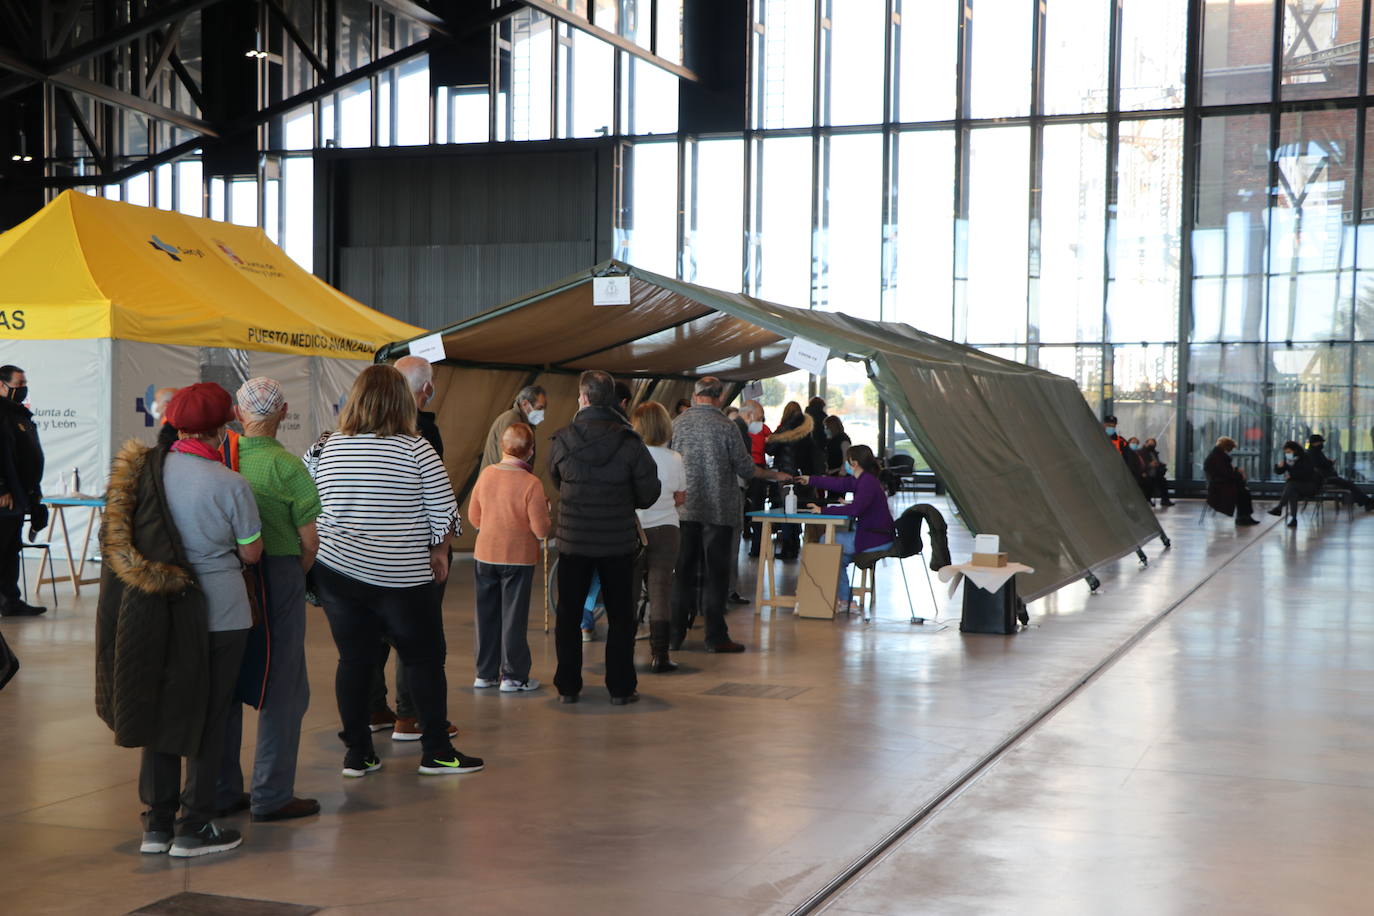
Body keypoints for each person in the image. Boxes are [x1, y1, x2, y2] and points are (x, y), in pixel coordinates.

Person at [97, 382, 263, 858]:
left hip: (157, 609)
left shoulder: (143, 475)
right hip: (221, 612)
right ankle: (195, 826)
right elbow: (251, 554)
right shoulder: (230, 484)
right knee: (211, 716)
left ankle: (157, 825)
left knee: (161, 709)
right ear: (222, 429)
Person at [309, 365, 482, 777]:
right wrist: (440, 553)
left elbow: (305, 506)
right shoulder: (416, 448)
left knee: (353, 661)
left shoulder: (324, 447)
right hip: (403, 576)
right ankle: (437, 752)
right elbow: (444, 511)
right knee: (423, 660)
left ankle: (359, 754)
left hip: (338, 574)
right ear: (403, 401)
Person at [214, 378, 321, 824]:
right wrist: (295, 574)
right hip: (277, 575)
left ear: (239, 415)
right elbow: (310, 541)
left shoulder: (221, 462)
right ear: (283, 413)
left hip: (225, 578)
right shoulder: (289, 467)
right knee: (284, 685)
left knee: (226, 680)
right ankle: (272, 793)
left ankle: (219, 788)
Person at [548, 370, 661, 704]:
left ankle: (568, 687)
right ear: (613, 399)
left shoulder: (562, 439)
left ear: (583, 397)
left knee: (568, 615)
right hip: (617, 543)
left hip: (574, 541)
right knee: (621, 615)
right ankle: (621, 688)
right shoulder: (630, 442)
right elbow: (648, 492)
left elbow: (557, 480)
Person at [372, 356, 460, 742]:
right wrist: (439, 550)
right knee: (417, 634)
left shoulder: (356, 435)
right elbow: (439, 504)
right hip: (413, 553)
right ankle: (410, 716)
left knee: (371, 634)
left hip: (364, 557)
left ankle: (374, 708)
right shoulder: (421, 437)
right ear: (425, 389)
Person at [671, 377, 786, 653]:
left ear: (695, 396)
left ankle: (673, 636)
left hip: (684, 509)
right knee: (717, 574)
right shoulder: (727, 426)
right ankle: (715, 637)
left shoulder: (678, 424)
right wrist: (772, 475)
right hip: (719, 511)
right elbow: (746, 469)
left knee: (682, 573)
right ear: (720, 398)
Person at [468, 422, 550, 692]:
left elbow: (473, 517)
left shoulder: (486, 475)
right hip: (518, 559)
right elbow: (541, 530)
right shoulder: (532, 484)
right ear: (530, 451)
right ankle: (513, 676)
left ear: (502, 447)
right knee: (513, 618)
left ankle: (484, 673)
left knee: (486, 615)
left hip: (485, 555)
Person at [797, 445, 896, 612]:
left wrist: (823, 510)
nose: (845, 465)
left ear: (855, 463)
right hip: (875, 536)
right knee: (838, 559)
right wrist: (810, 479)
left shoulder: (867, 482)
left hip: (874, 538)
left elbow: (855, 510)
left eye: (847, 461)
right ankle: (847, 601)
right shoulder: (864, 479)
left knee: (825, 541)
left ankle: (833, 598)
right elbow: (839, 483)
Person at [632, 402, 686, 673]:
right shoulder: (674, 458)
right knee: (660, 590)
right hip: (666, 529)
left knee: (629, 592)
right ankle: (660, 655)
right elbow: (680, 497)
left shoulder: (631, 455)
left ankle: (623, 650)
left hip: (634, 530)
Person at [0, 365, 46, 617]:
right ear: (1, 385)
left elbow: (26, 458)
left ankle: (10, 601)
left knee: (10, 549)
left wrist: (33, 497)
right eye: (18, 385)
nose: (23, 389)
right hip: (5, 496)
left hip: (20, 494)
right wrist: (1, 488)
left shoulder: (19, 415)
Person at [765, 401, 825, 559]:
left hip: (785, 475)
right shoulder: (808, 430)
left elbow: (769, 449)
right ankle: (798, 543)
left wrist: (783, 427)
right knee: (799, 510)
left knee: (787, 511)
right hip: (805, 477)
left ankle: (787, 546)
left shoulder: (784, 431)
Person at [482, 384, 547, 467]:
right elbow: (509, 459)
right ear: (525, 404)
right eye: (539, 408)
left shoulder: (521, 421)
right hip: (502, 478)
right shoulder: (512, 421)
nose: (542, 414)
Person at [1307, 434, 1372, 510]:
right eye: (1320, 442)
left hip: (1325, 477)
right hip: (1325, 478)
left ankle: (1366, 501)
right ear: (1315, 443)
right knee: (1349, 484)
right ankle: (1367, 502)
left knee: (1348, 484)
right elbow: (1321, 464)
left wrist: (1328, 462)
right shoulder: (1315, 453)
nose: (1322, 444)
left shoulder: (1313, 452)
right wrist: (1330, 462)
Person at [1204, 436, 1259, 526]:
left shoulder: (1216, 455)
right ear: (1227, 447)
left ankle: (1244, 517)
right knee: (1243, 492)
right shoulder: (1219, 457)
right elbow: (1227, 474)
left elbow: (1226, 471)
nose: (1231, 451)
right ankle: (1243, 517)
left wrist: (1237, 472)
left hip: (1219, 484)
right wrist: (1240, 476)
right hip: (1220, 487)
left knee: (1244, 491)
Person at [741, 400, 772, 558]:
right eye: (759, 418)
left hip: (754, 469)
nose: (760, 421)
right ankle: (755, 544)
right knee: (756, 508)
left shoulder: (749, 430)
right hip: (755, 467)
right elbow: (772, 445)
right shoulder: (761, 429)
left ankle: (755, 545)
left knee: (754, 508)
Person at [1267, 440, 1319, 528]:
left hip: (1309, 485)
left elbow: (1306, 473)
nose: (1287, 454)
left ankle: (1279, 507)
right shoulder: (1289, 460)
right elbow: (1280, 471)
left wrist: (1291, 475)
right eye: (1286, 452)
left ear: (1295, 450)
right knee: (1292, 492)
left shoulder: (1305, 458)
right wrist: (1279, 467)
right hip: (1296, 486)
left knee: (1291, 485)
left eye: (1289, 452)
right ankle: (1293, 519)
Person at [1139, 438, 1175, 507]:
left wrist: (1159, 464)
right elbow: (1140, 463)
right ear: (1146, 443)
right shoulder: (1141, 452)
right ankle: (1148, 500)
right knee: (1149, 482)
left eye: (1153, 444)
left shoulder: (1154, 453)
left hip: (1156, 472)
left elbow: (1157, 462)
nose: (1152, 445)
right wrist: (1149, 464)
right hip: (1146, 472)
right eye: (1150, 443)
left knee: (1163, 482)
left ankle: (1165, 500)